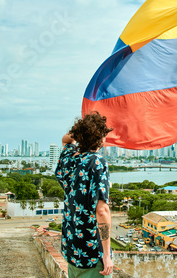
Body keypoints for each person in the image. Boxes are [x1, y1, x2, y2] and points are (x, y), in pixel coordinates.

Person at [56, 111, 114, 278]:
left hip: (72, 248)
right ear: (101, 138)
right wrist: (106, 255)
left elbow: (65, 139)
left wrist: (80, 131)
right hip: (91, 254)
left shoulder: (69, 158)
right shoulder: (97, 162)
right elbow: (102, 211)